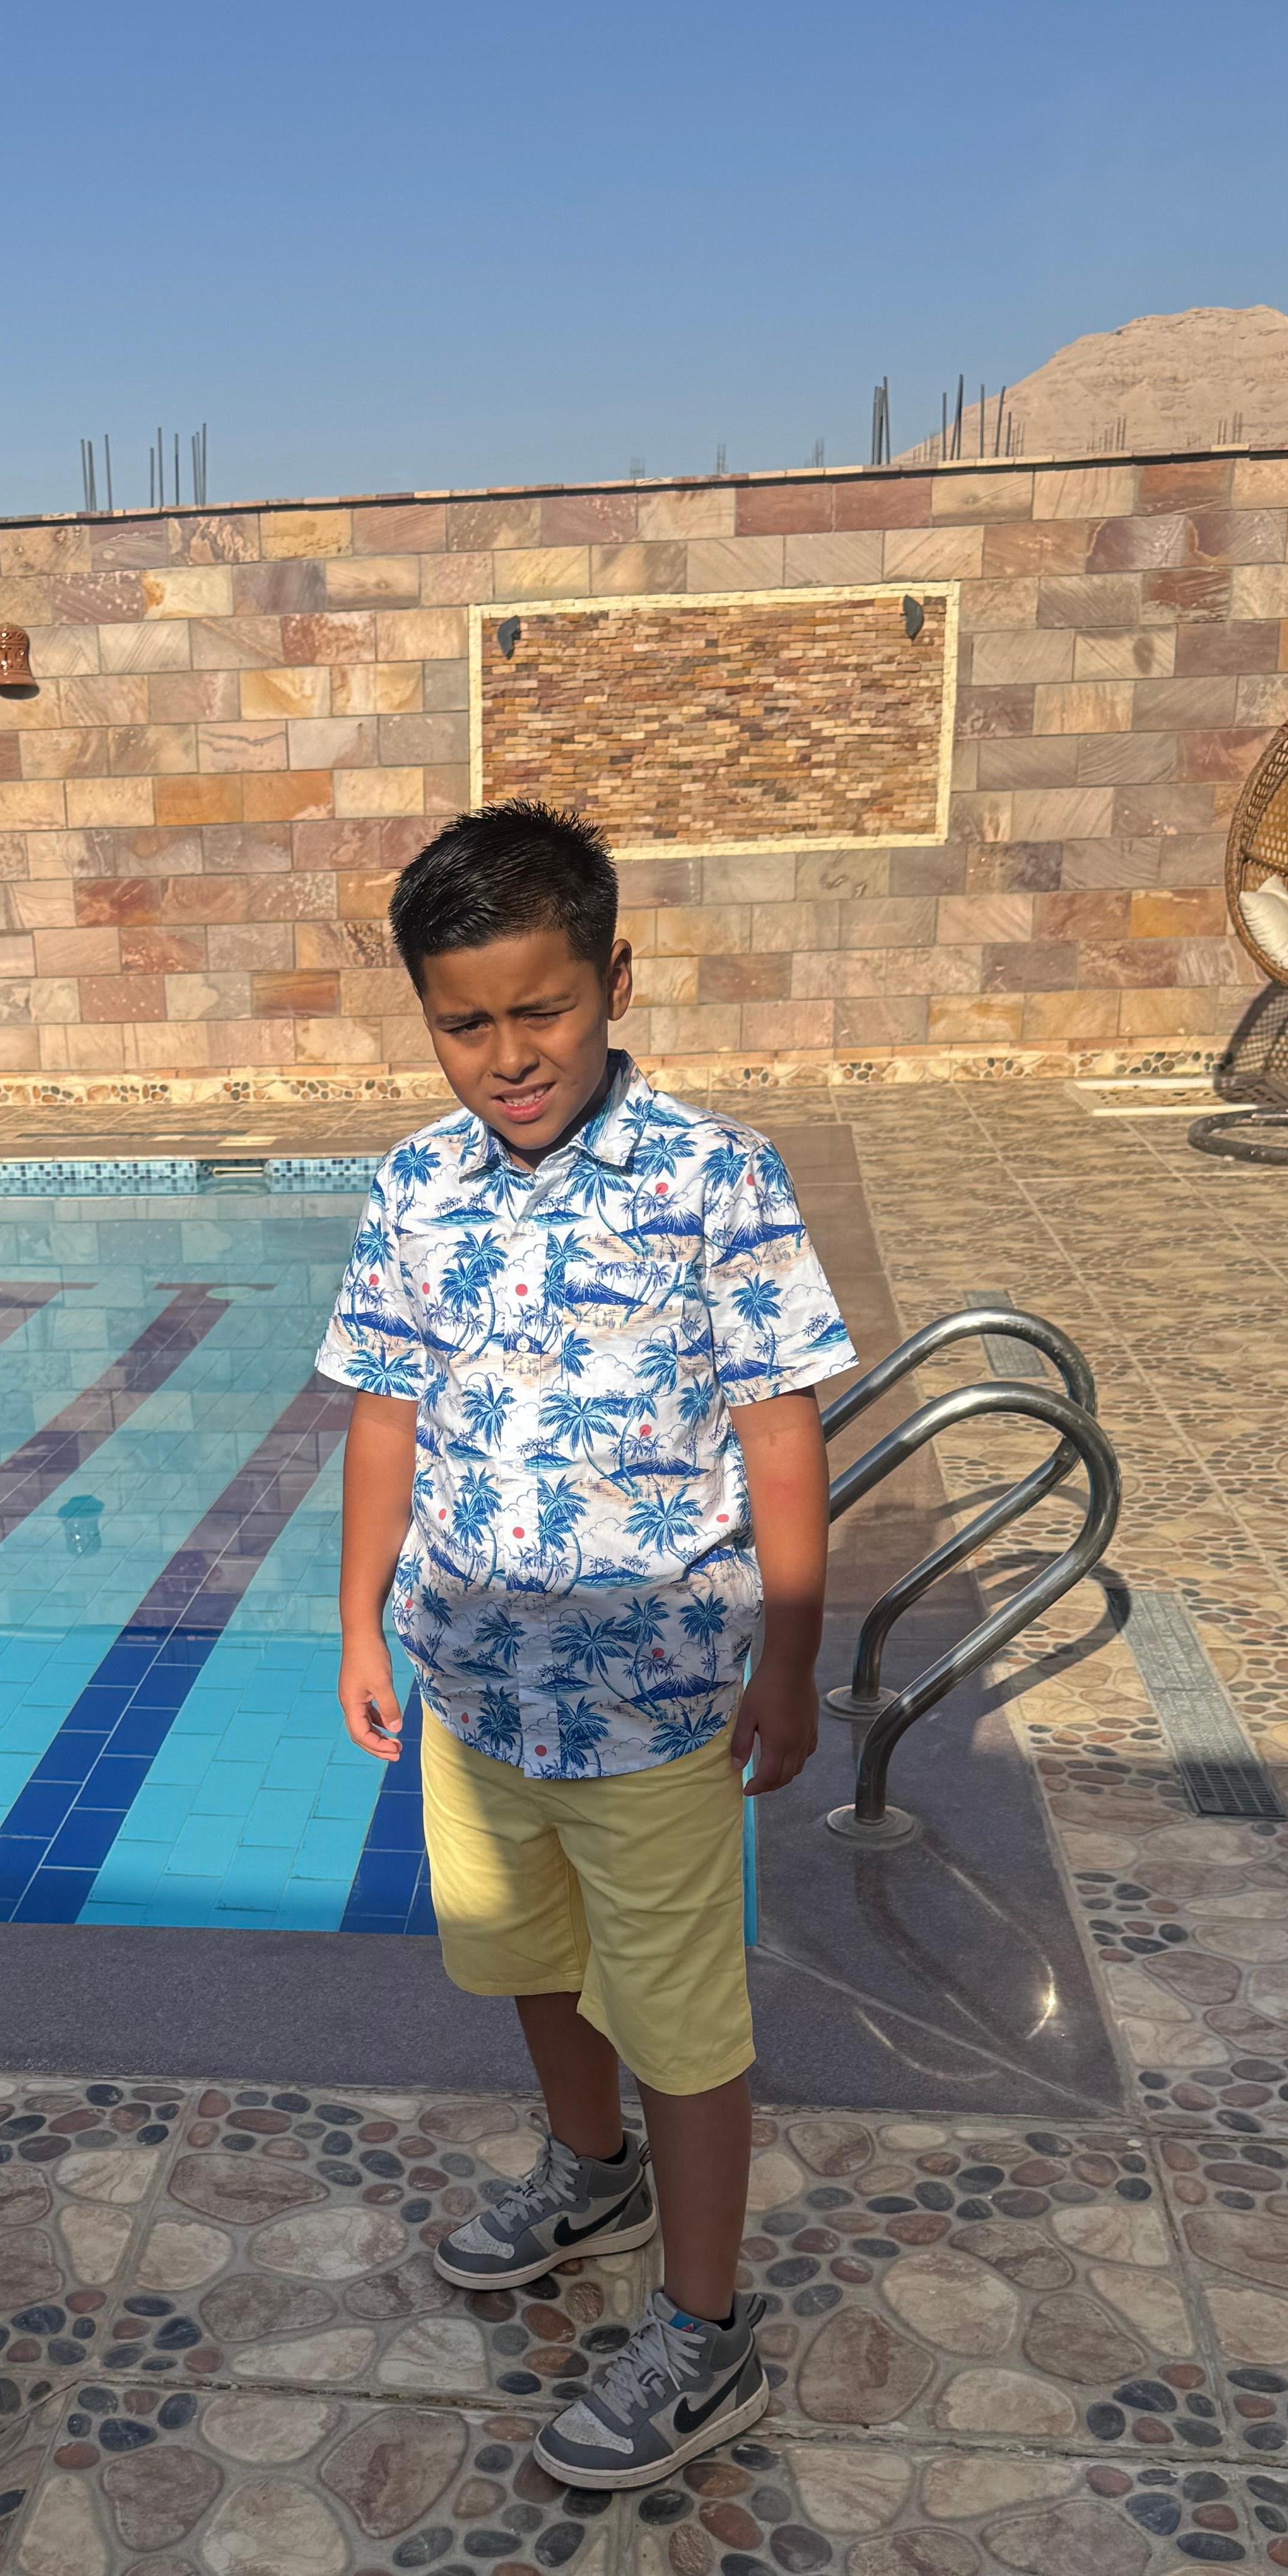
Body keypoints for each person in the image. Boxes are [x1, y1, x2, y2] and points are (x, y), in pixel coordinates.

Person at [317, 800, 854, 2489]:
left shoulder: (714, 1177)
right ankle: (588, 2170)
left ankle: (705, 2333)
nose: (507, 1056)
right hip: (475, 1691)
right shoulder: (414, 1185)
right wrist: (359, 1616)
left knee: (680, 2022)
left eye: (539, 1009)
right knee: (525, 1954)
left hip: (654, 1707)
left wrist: (787, 1655)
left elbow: (777, 1428)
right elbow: (386, 1412)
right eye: (462, 1023)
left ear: (614, 981)